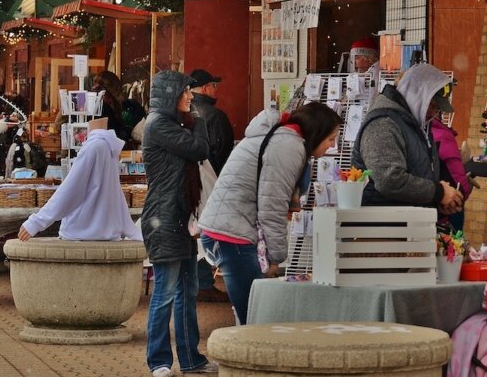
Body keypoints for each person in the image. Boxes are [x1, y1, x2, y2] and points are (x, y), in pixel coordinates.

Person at [199, 102, 342, 325]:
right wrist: (276, 258)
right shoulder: (288, 146)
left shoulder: (283, 138)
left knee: (250, 314)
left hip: (226, 228)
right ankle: (244, 358)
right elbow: (272, 207)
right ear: (317, 132)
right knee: (255, 316)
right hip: (232, 234)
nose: (332, 147)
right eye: (331, 139)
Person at [140, 70, 216, 377]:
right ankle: (158, 361)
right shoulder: (159, 124)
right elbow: (200, 149)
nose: (191, 96)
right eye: (186, 92)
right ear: (171, 95)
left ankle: (190, 359)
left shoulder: (172, 123)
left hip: (180, 216)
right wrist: (198, 118)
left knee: (188, 289)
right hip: (164, 217)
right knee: (166, 292)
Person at [351, 63, 464, 215]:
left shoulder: (415, 125)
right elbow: (389, 181)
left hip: (405, 225)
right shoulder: (384, 123)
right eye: (431, 106)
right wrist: (438, 192)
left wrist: (437, 201)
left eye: (437, 109)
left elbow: (418, 174)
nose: (433, 113)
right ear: (416, 95)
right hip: (381, 228)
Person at [18, 118, 142, 242]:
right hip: (106, 229)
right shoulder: (109, 148)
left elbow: (70, 190)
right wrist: (128, 228)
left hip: (82, 230)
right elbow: (115, 193)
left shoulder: (92, 148)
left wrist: (36, 222)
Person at [188, 68, 235, 303]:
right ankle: (204, 282)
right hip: (211, 180)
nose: (216, 90)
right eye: (214, 86)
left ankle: (196, 281)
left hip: (190, 181)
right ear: (206, 88)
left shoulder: (183, 111)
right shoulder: (215, 116)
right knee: (207, 229)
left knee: (193, 227)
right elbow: (222, 152)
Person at [432, 112, 472, 231]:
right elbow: (458, 177)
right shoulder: (444, 136)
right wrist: (463, 194)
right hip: (446, 207)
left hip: (412, 211)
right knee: (454, 242)